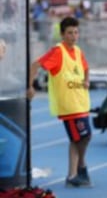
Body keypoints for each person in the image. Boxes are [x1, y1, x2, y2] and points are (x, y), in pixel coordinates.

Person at [27, 17, 92, 188]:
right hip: (68, 105)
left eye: (76, 32)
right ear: (62, 34)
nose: (73, 36)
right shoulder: (58, 52)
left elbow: (86, 67)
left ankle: (73, 174)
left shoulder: (78, 51)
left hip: (81, 102)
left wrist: (86, 80)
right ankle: (80, 168)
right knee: (83, 136)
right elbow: (35, 65)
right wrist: (30, 87)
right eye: (70, 33)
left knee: (79, 138)